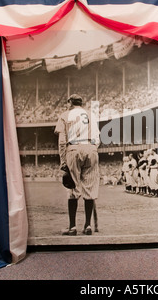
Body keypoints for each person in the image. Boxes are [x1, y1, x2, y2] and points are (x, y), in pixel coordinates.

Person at [54, 94, 100, 236]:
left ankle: (72, 227)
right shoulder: (91, 114)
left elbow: (62, 141)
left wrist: (63, 161)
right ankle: (87, 226)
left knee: (73, 189)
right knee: (90, 189)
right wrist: (91, 149)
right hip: (91, 148)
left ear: (70, 103)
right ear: (81, 103)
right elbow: (98, 139)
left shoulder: (65, 115)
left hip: (73, 149)